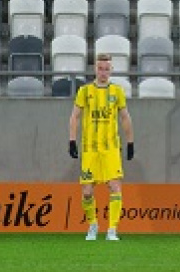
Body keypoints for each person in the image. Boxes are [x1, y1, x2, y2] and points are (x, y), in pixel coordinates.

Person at [69, 53, 135, 242]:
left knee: (115, 186)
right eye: (100, 68)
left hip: (111, 149)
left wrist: (130, 142)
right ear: (95, 69)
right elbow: (75, 116)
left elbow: (125, 117)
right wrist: (72, 140)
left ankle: (112, 229)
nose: (103, 72)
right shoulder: (85, 91)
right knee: (87, 191)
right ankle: (93, 225)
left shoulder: (117, 92)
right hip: (90, 149)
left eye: (107, 69)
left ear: (111, 70)